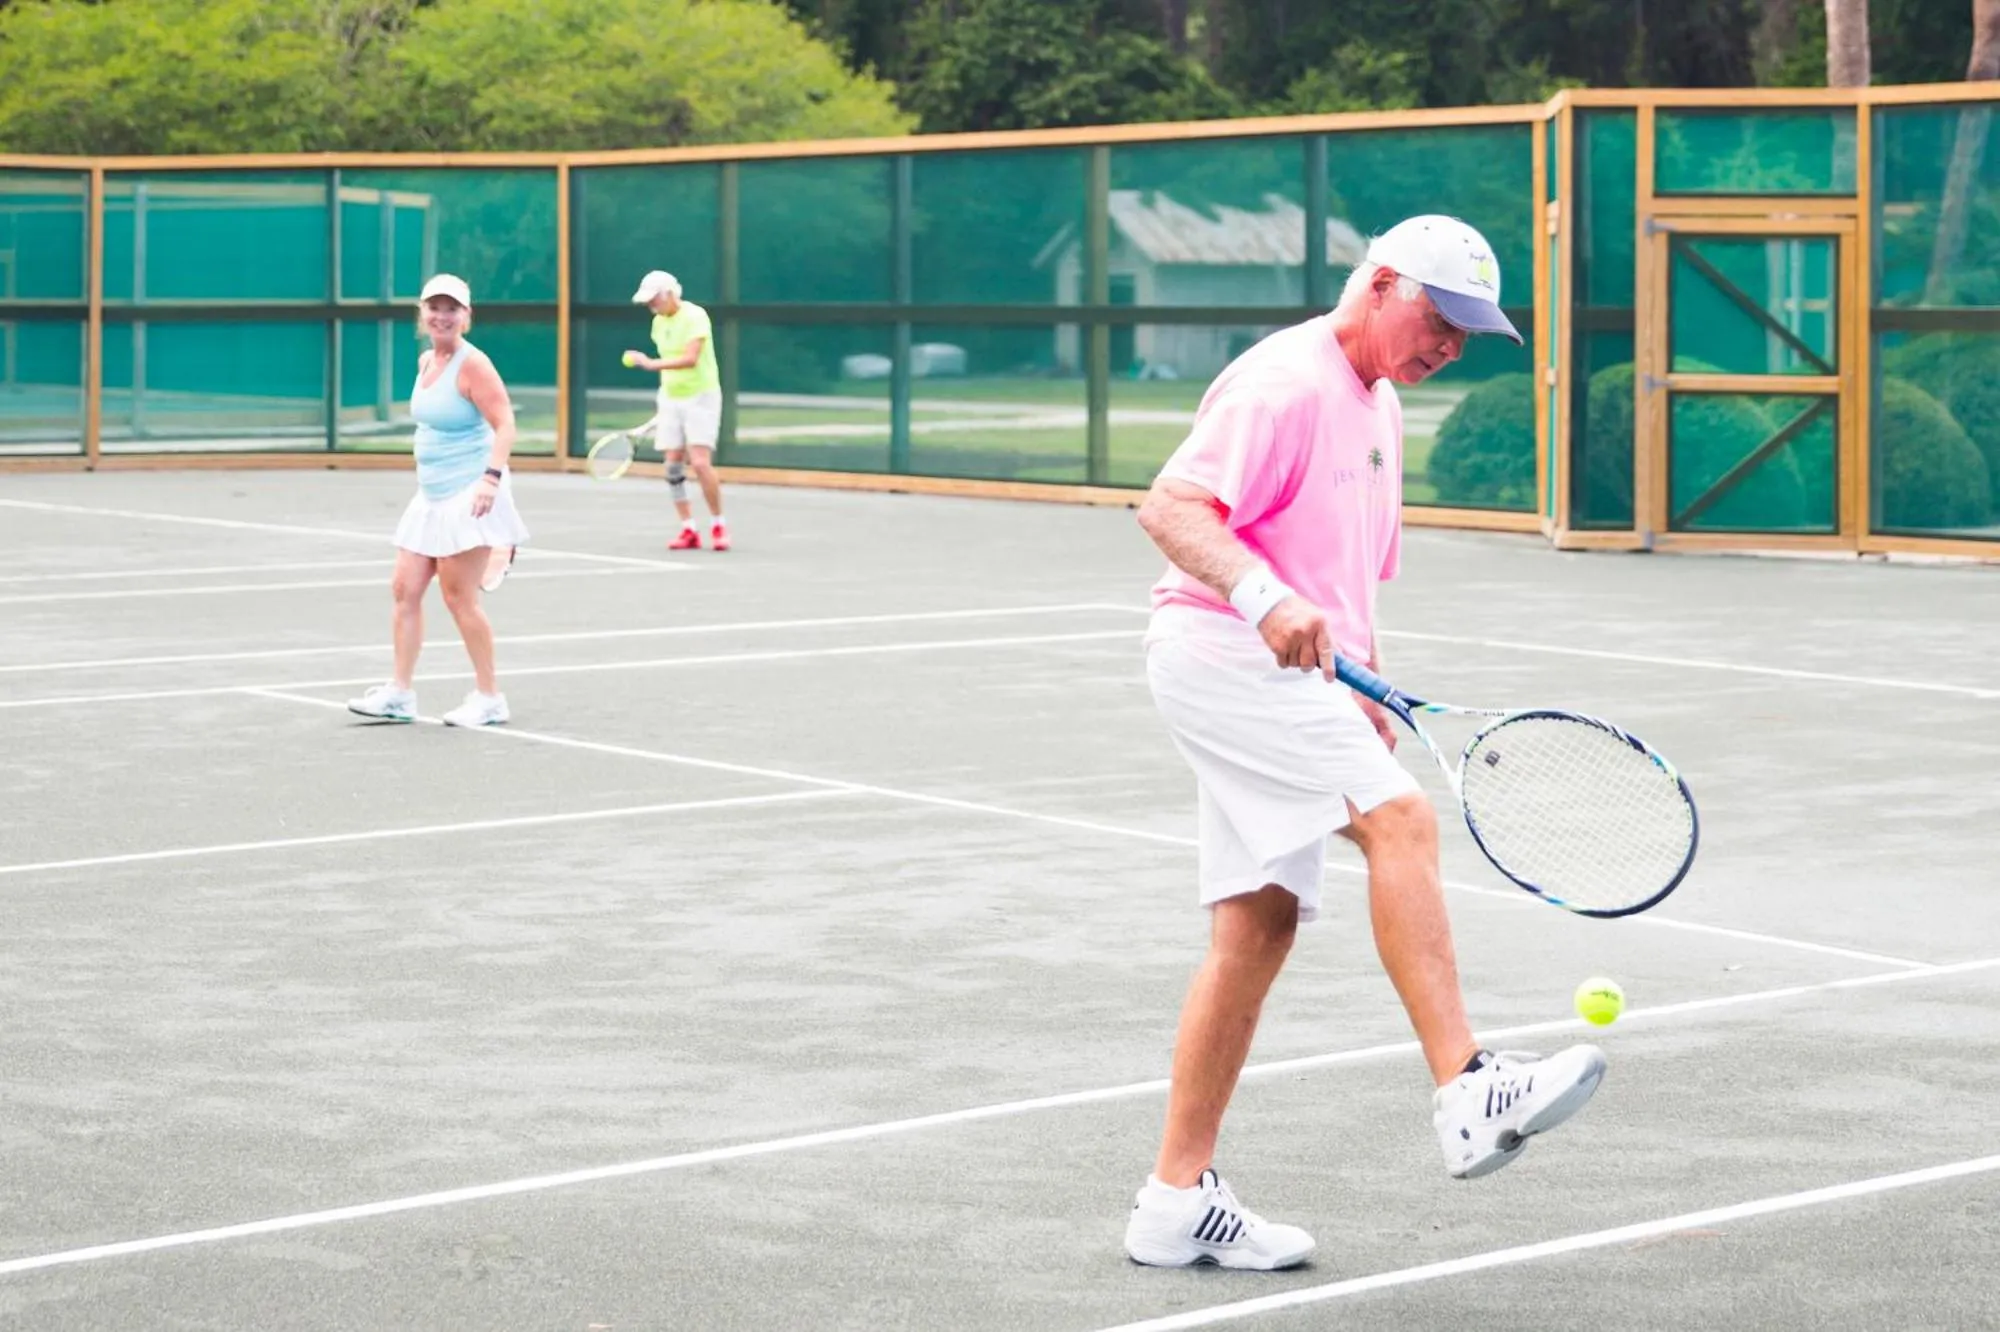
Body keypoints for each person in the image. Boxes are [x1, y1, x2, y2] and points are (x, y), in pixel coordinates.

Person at [1122, 216, 1606, 1271]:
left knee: (1256, 926)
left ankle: (1173, 1200)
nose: (1451, 346)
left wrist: (1365, 684)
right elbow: (1169, 507)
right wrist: (1263, 598)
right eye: (1441, 320)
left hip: (1298, 674)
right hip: (1222, 651)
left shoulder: (1378, 403)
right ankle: (1467, 1088)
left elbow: (1343, 580)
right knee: (1401, 819)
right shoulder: (1282, 384)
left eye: (1469, 333)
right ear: (1381, 286)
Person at [348, 273, 528, 729]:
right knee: (404, 590)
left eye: (452, 309)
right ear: (422, 313)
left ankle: (490, 698)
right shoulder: (427, 360)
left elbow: (505, 425)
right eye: (434, 307)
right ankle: (400, 694)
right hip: (430, 495)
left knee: (458, 598)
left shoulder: (475, 365)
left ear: (467, 316)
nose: (442, 316)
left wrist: (490, 479)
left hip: (469, 493)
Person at [625, 270, 727, 551]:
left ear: (669, 293)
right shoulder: (657, 323)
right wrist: (669, 402)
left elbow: (690, 359)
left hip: (702, 395)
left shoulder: (695, 316)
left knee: (701, 463)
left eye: (654, 299)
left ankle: (718, 524)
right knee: (672, 466)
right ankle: (688, 529)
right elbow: (670, 362)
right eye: (647, 301)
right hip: (670, 397)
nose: (651, 305)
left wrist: (649, 364)